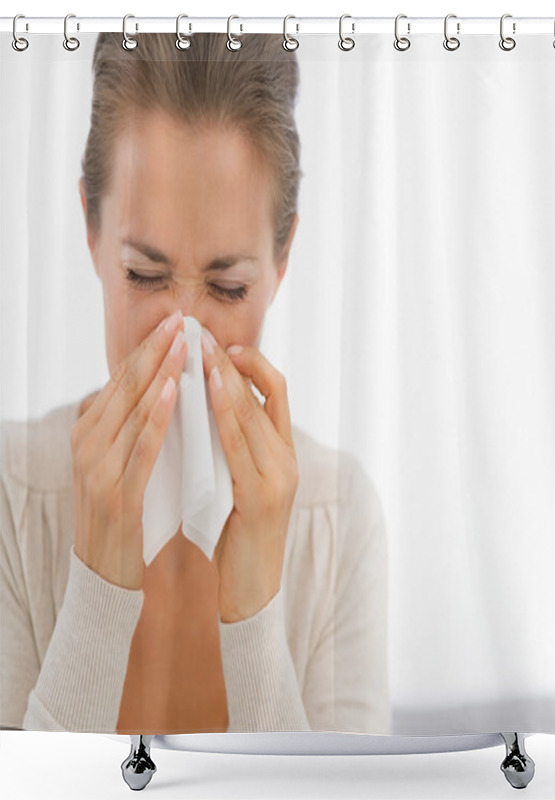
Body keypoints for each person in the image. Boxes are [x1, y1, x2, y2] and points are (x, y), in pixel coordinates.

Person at [0, 32, 390, 735]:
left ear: (282, 259)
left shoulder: (338, 523)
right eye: (145, 276)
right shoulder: (14, 498)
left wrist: (257, 612)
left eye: (228, 286)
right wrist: (95, 590)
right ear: (91, 229)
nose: (182, 338)